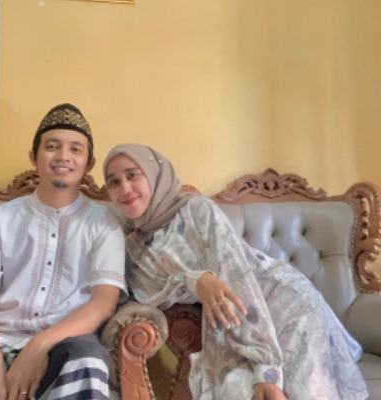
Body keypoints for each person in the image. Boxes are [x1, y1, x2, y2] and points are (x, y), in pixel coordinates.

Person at [102, 143, 368, 400]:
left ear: (154, 174)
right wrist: (195, 280)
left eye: (132, 175)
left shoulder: (197, 210)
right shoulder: (132, 248)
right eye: (113, 182)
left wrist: (266, 369)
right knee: (237, 387)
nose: (124, 188)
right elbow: (148, 294)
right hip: (229, 318)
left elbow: (237, 278)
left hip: (280, 301)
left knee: (301, 389)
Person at [0, 104, 126, 400]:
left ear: (88, 163)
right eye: (51, 146)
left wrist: (38, 346)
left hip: (65, 345)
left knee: (87, 359)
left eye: (75, 149)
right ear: (34, 157)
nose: (63, 156)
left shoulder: (104, 225)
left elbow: (103, 303)